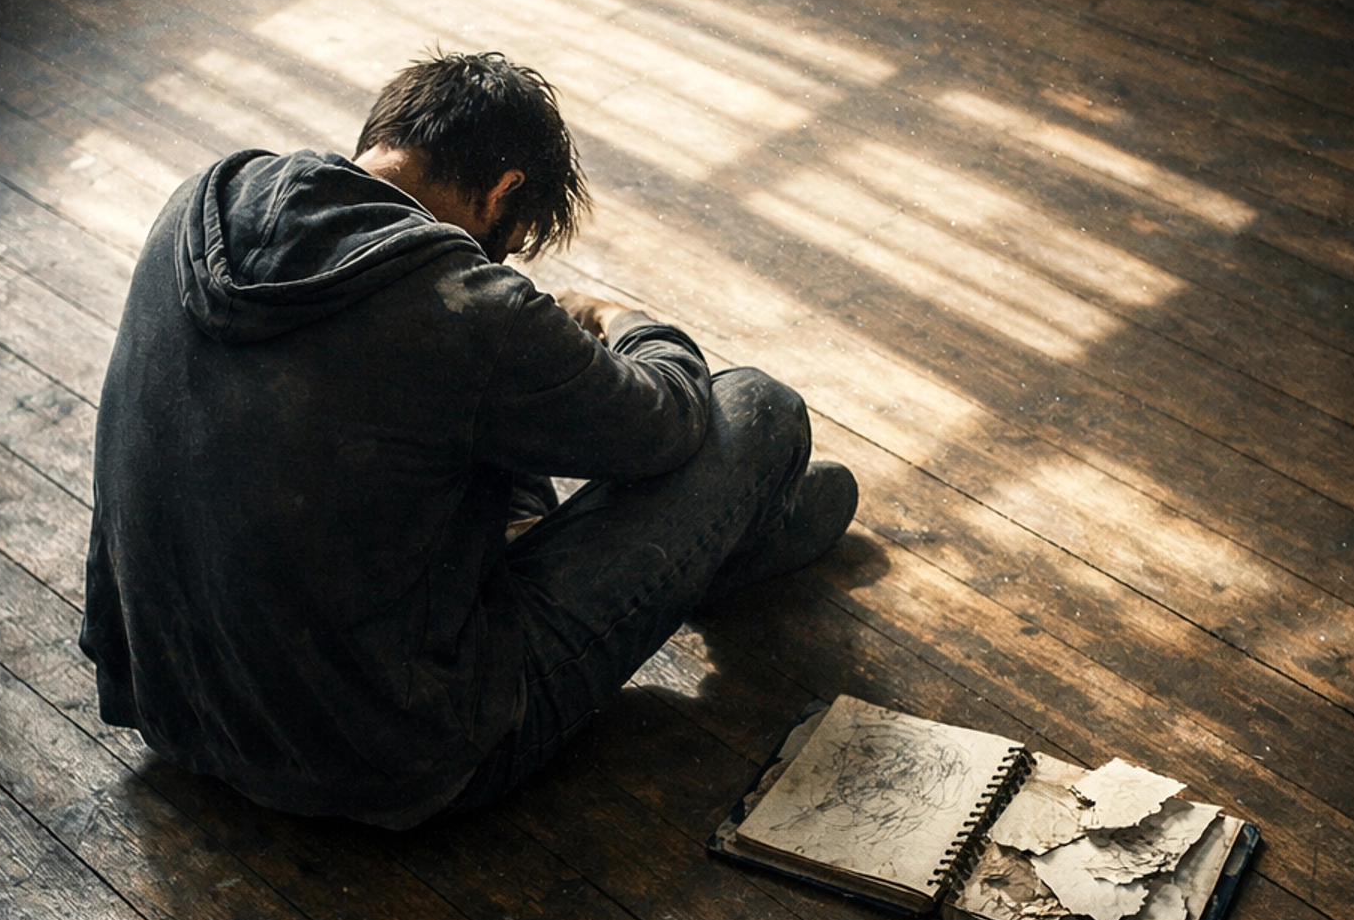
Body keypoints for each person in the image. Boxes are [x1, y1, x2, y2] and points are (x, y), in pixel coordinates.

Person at [82, 51, 857, 828]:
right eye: (508, 241)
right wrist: (621, 323)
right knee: (759, 408)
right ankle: (731, 547)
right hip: (387, 758)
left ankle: (706, 543)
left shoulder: (202, 201)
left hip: (173, 707)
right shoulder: (464, 306)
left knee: (467, 420)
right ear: (502, 190)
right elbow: (669, 424)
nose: (500, 264)